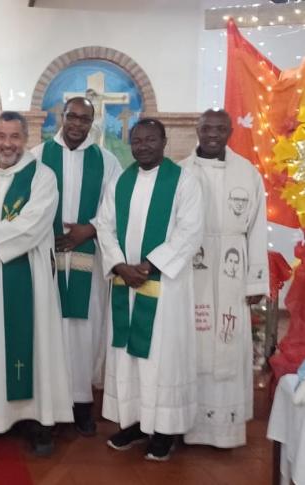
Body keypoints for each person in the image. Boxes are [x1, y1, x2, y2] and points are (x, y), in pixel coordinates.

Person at [0, 111, 73, 457]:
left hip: (28, 280)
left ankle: (37, 422)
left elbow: (34, 225)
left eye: (14, 137)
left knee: (31, 346)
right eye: (0, 136)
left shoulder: (42, 177)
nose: (7, 144)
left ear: (26, 138)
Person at [95, 118, 203, 461]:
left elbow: (190, 230)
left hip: (164, 288)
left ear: (164, 141)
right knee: (129, 357)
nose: (143, 146)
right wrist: (120, 266)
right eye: (137, 140)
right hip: (127, 284)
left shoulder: (184, 180)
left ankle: (166, 429)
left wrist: (150, 265)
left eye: (150, 140)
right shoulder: (120, 182)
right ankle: (137, 422)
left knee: (162, 358)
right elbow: (104, 226)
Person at [30, 96, 122, 436]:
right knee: (48, 322)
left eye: (85, 119)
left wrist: (91, 227)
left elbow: (115, 205)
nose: (77, 124)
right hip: (47, 251)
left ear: (92, 122)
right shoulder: (38, 156)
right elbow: (25, 201)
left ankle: (82, 403)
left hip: (86, 252)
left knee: (86, 327)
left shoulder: (107, 160)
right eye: (72, 117)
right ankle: (48, 400)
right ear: (61, 117)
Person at [180, 109, 268, 449]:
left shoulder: (247, 173)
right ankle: (187, 422)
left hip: (233, 265)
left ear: (230, 131)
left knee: (226, 339)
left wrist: (255, 281)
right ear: (197, 129)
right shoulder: (182, 172)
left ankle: (225, 429)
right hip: (194, 267)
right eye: (207, 127)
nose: (213, 133)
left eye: (220, 128)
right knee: (194, 339)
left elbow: (257, 228)